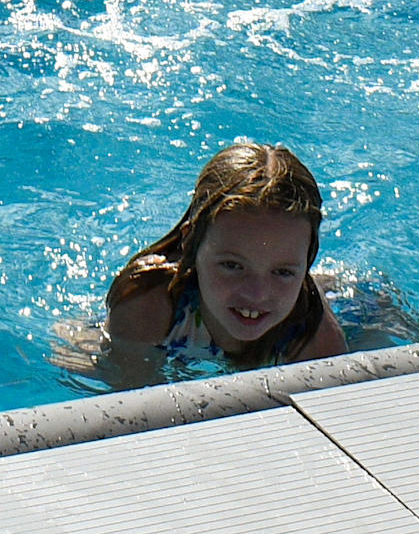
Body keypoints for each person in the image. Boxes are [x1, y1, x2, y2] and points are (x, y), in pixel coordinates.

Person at [104, 141, 352, 370]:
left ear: (308, 261)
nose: (256, 294)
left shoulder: (315, 340)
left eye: (283, 272)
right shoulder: (147, 308)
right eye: (232, 266)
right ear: (190, 243)